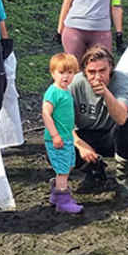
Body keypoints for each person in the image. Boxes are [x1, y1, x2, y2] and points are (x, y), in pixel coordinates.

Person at [70, 45, 128, 197]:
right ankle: (93, 169)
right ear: (84, 72)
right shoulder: (75, 83)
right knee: (55, 147)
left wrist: (106, 94)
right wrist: (80, 145)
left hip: (111, 134)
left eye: (102, 71)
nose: (97, 77)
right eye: (91, 72)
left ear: (111, 68)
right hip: (85, 134)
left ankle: (122, 178)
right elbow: (60, 123)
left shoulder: (122, 80)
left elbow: (121, 118)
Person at [42, 53, 82, 213]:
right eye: (61, 72)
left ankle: (57, 192)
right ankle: (63, 200)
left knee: (69, 165)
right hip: (57, 139)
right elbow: (46, 114)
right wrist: (54, 135)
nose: (66, 76)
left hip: (67, 136)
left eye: (70, 72)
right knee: (63, 171)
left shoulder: (66, 91)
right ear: (53, 73)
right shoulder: (53, 92)